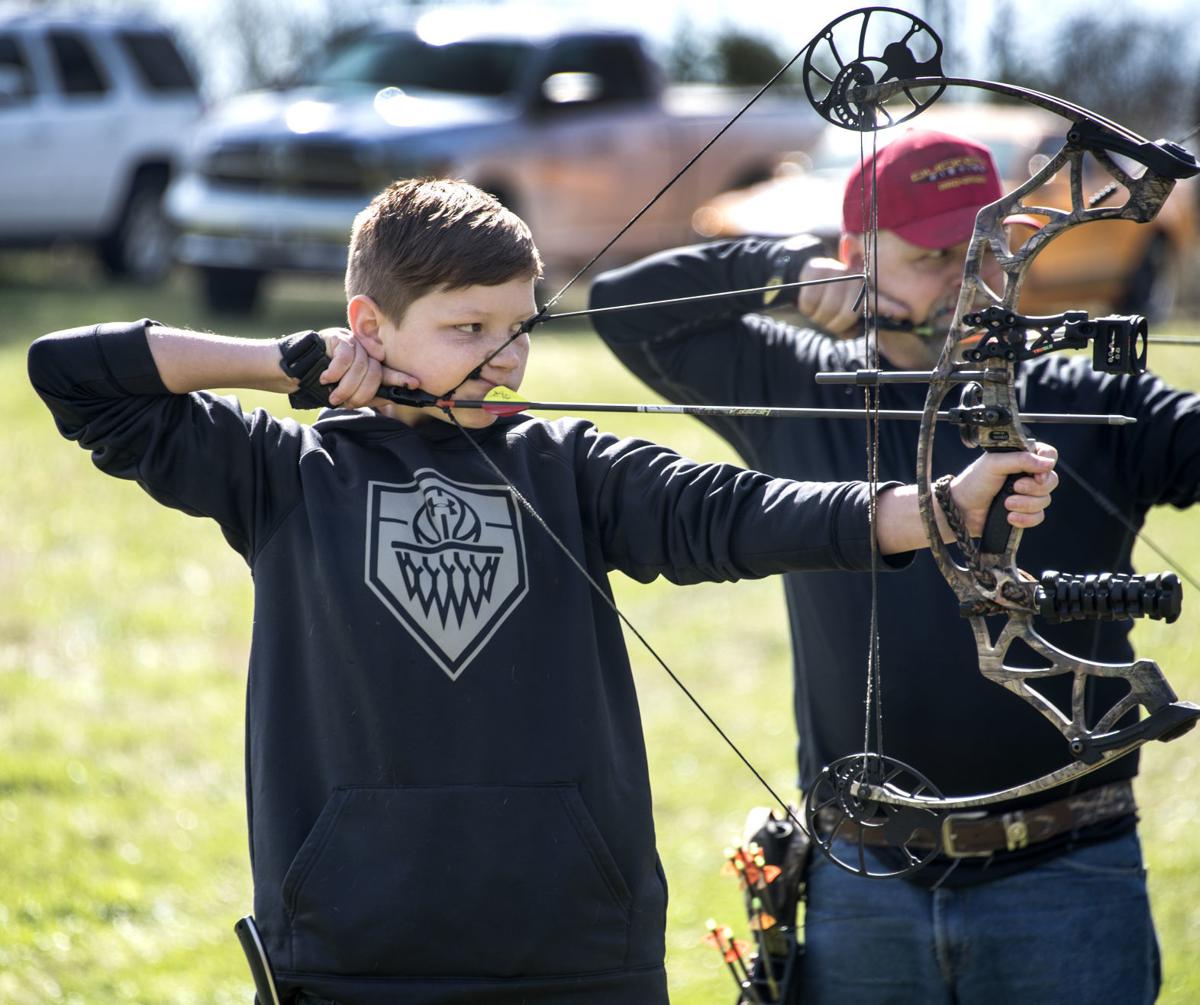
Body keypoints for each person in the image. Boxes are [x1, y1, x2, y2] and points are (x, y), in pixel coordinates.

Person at [27, 177, 1055, 1005]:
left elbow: (734, 511)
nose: (504, 359)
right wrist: (278, 365)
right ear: (366, 325)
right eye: (465, 330)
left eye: (517, 328)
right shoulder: (284, 473)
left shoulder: (570, 467)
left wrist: (940, 509)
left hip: (575, 946)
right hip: (352, 949)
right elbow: (71, 373)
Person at [591, 129, 1200, 1004]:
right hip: (863, 881)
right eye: (927, 258)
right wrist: (784, 272)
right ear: (851, 263)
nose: (961, 280)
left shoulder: (1088, 401)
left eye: (980, 252)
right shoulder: (800, 386)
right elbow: (618, 303)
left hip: (1068, 871)